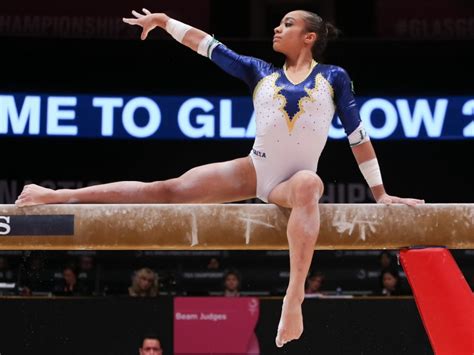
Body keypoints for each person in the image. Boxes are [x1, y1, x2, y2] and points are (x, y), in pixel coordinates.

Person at [15, 8, 424, 347]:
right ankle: (53, 196)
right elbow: (208, 46)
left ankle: (293, 297)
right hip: (254, 170)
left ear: (310, 36)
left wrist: (381, 194)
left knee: (309, 185)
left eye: (287, 24)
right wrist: (163, 22)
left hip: (292, 183)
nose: (277, 28)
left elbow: (358, 136)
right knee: (165, 190)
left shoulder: (333, 77)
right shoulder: (259, 71)